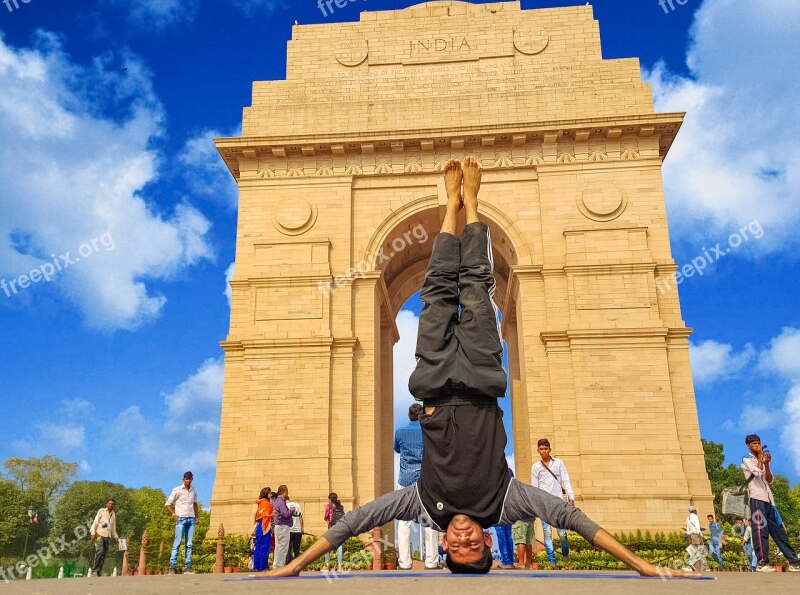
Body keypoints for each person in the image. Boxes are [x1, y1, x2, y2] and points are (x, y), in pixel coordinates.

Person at [263, 158, 694, 578]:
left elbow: (353, 522)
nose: (465, 538)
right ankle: (471, 203)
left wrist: (293, 567)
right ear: (488, 541)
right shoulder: (505, 503)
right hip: (482, 375)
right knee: (475, 285)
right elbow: (570, 519)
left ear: (445, 546)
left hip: (431, 382)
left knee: (435, 292)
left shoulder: (422, 503)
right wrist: (644, 566)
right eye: (474, 546)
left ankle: (450, 207)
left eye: (458, 547)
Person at [741, 434, 800, 572]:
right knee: (761, 531)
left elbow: (769, 479)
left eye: (758, 443)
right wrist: (761, 458)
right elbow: (756, 473)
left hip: (768, 500)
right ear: (748, 445)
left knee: (779, 532)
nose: (757, 445)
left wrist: (767, 464)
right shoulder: (746, 459)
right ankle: (763, 563)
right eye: (754, 444)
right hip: (756, 499)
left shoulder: (762, 459)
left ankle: (794, 561)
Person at [394, 402, 440, 570]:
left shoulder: (399, 432)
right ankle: (432, 561)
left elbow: (397, 450)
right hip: (426, 481)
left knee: (404, 522)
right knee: (430, 521)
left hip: (405, 481)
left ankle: (404, 563)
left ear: (408, 415)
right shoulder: (428, 432)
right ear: (422, 416)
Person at [531, 438, 575, 568]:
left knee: (562, 533)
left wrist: (570, 496)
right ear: (538, 450)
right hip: (544, 504)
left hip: (558, 503)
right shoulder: (535, 467)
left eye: (546, 449)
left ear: (550, 449)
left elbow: (565, 479)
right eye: (541, 449)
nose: (544, 451)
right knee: (547, 533)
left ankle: (566, 559)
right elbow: (535, 487)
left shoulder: (559, 463)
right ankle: (552, 562)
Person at [165, 471, 199, 574]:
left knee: (189, 544)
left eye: (190, 478)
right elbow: (167, 504)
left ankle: (187, 567)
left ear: (192, 479)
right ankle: (172, 567)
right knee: (177, 542)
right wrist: (173, 514)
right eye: (186, 478)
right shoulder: (177, 490)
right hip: (181, 519)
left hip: (191, 518)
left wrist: (197, 517)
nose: (188, 480)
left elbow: (195, 504)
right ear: (183, 479)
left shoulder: (193, 490)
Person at [492, 467, 516, 569]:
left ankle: (506, 562)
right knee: (508, 534)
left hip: (498, 505)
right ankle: (510, 561)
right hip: (508, 505)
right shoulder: (509, 470)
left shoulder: (493, 471)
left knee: (501, 534)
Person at [90, 498, 119, 576]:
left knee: (104, 554)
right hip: (100, 534)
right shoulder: (101, 511)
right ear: (106, 504)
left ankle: (99, 571)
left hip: (108, 536)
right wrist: (92, 533)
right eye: (109, 503)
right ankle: (95, 571)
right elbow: (95, 522)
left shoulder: (113, 514)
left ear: (114, 505)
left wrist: (116, 537)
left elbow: (113, 528)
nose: (111, 505)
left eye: (112, 504)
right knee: (99, 551)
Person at [272, 485, 294, 569]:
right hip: (282, 526)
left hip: (279, 526)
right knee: (283, 546)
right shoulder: (280, 502)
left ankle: (277, 565)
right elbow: (285, 514)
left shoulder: (276, 501)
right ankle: (279, 565)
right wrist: (291, 510)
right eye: (287, 492)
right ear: (284, 492)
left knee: (279, 546)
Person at [252, 487, 273, 572]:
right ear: (266, 494)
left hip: (259, 527)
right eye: (270, 493)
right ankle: (262, 567)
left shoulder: (260, 503)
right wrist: (272, 515)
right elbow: (266, 515)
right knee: (264, 547)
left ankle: (256, 566)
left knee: (258, 547)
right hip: (265, 526)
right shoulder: (266, 503)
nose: (271, 495)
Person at [323, 493, 345, 571]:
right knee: (340, 546)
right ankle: (339, 566)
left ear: (329, 499)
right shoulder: (340, 506)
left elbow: (326, 517)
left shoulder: (328, 507)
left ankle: (327, 565)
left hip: (331, 528)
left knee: (327, 545)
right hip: (339, 528)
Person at [685, 506, 706, 572]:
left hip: (691, 535)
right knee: (700, 550)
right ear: (694, 511)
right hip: (696, 535)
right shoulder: (695, 517)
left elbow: (688, 529)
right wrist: (700, 535)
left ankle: (692, 565)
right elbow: (697, 526)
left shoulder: (687, 518)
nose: (697, 511)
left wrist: (689, 538)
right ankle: (691, 563)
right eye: (696, 510)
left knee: (694, 551)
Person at [285, 498, 304, 565]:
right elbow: (300, 517)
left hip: (289, 530)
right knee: (296, 548)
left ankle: (288, 563)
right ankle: (296, 563)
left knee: (288, 548)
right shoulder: (297, 505)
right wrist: (302, 528)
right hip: (297, 530)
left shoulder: (285, 505)